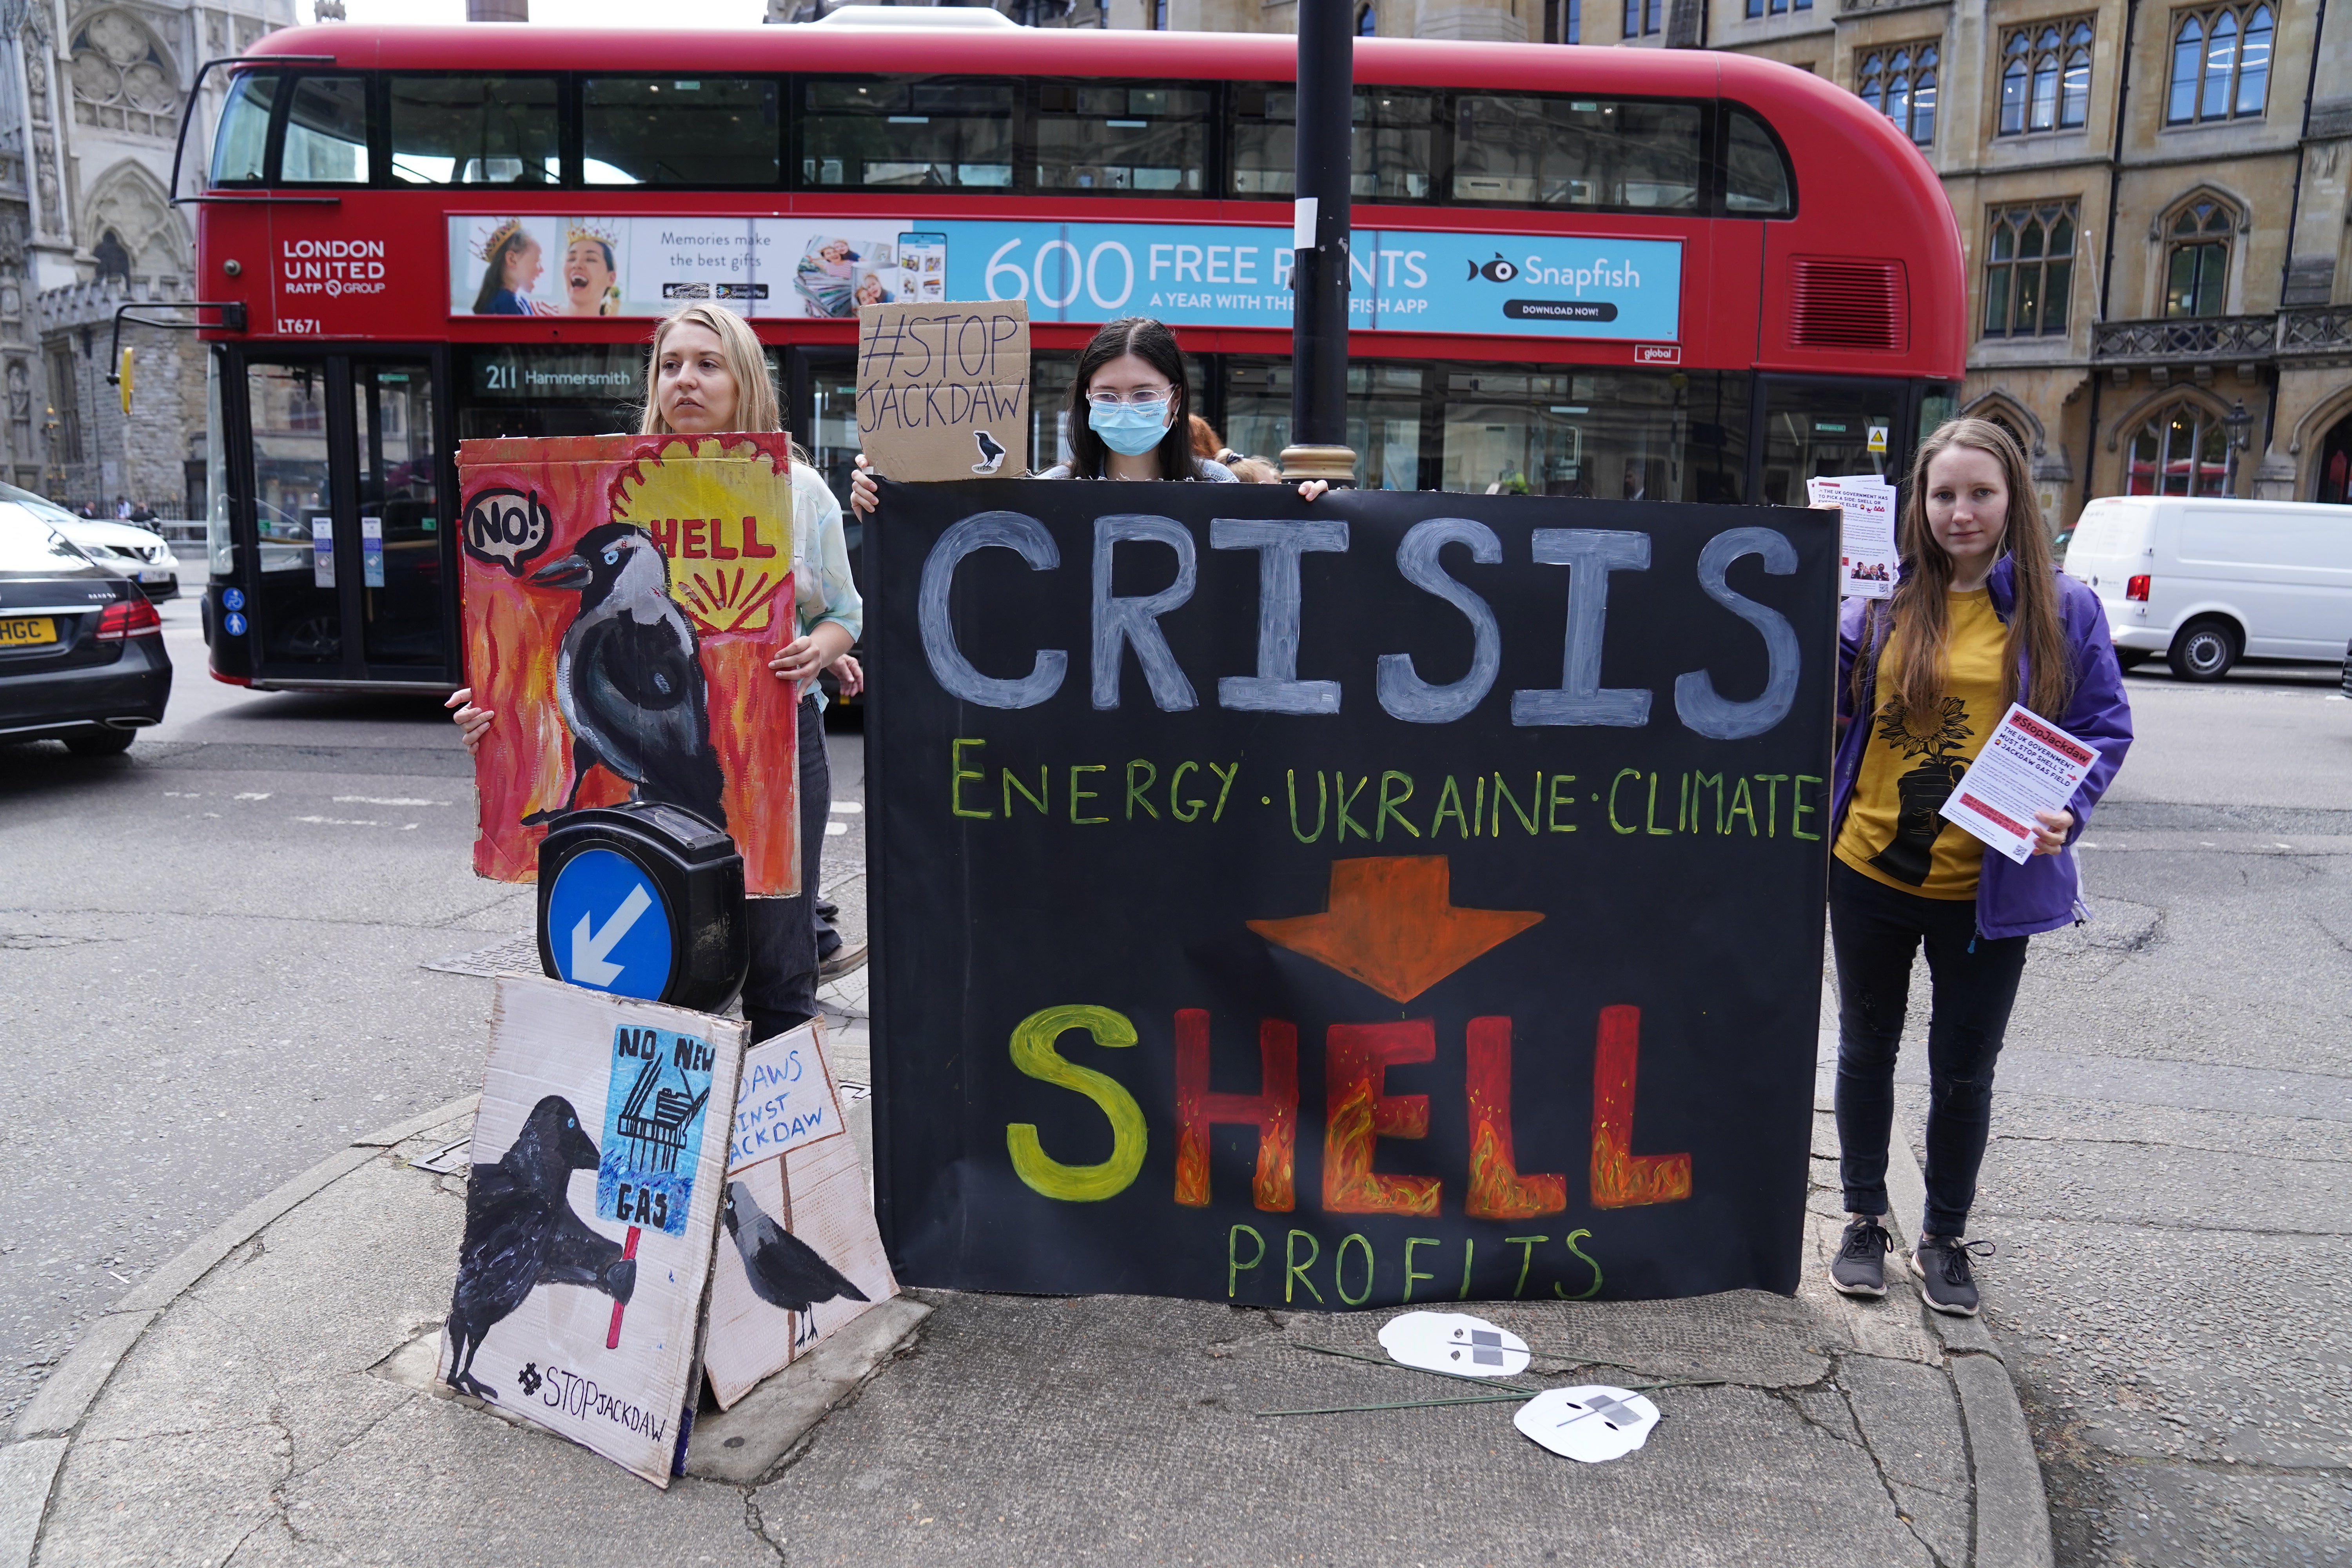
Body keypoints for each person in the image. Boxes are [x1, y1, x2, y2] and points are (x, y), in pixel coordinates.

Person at [447, 303, 864, 1042]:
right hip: (651, 780)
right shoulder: (609, 484)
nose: (687, 381)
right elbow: (534, 656)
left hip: (776, 751)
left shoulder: (799, 490)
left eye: (709, 364)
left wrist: (822, 648)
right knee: (659, 962)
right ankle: (669, 1147)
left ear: (745, 382)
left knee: (778, 963)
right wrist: (493, 709)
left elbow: (844, 612)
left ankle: (778, 1152)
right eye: (671, 366)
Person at [1825, 417, 2131, 1317]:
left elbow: (2103, 724)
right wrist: (1812, 601)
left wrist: (2067, 809)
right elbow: (1827, 697)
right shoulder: (1878, 597)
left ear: (2013, 502)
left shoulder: (2059, 606)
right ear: (1918, 502)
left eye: (1981, 494)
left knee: (1964, 1066)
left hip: (1984, 885)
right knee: (1865, 1048)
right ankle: (1864, 1216)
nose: (1961, 512)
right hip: (1868, 869)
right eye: (1944, 494)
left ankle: (1945, 1234)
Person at [851, 316, 1328, 501]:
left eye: (1144, 394)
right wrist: (886, 497)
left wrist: (1314, 510)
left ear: (1175, 399)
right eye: (1107, 395)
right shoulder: (1052, 492)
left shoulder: (1218, 486)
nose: (1125, 407)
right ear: (1086, 401)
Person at [472, 221, 542, 316]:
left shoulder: (520, 301)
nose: (542, 270)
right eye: (537, 261)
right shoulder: (505, 304)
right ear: (512, 259)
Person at [559, 231, 619, 317]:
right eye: (571, 259)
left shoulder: (615, 330)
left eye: (590, 260)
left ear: (611, 278)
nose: (577, 264)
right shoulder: (536, 313)